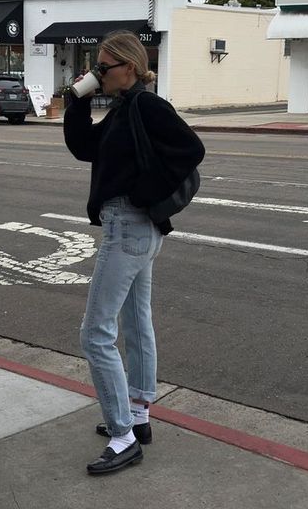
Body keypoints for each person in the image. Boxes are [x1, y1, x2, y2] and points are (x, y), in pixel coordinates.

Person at [63, 31, 205, 475]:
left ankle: (123, 435)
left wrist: (145, 194)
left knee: (94, 333)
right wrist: (78, 99)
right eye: (95, 68)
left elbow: (192, 150)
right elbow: (86, 149)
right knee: (134, 319)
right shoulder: (125, 108)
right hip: (134, 229)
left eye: (103, 68)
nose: (97, 74)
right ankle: (139, 415)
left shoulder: (146, 105)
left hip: (130, 227)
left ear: (127, 67)